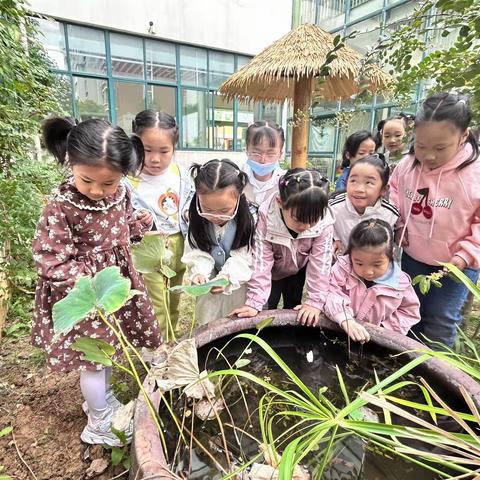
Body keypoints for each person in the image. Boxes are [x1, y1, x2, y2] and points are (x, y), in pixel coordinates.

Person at [32, 117, 162, 446]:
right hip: (84, 295)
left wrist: (137, 225)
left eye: (109, 184)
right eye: (87, 180)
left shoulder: (120, 196)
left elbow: (120, 230)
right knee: (93, 358)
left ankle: (100, 402)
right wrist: (89, 289)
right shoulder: (61, 208)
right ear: (70, 163)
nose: (97, 191)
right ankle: (99, 423)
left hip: (114, 288)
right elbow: (50, 259)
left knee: (106, 352)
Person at [390, 92, 480, 348]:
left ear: (463, 136)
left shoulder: (474, 174)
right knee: (407, 315)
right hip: (412, 257)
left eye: (440, 148)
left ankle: (434, 381)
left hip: (455, 265)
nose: (428, 156)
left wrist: (464, 256)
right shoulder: (407, 166)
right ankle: (403, 373)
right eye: (421, 146)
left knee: (440, 322)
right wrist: (398, 224)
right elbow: (394, 193)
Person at [230, 168, 333, 327]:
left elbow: (321, 264)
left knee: (294, 305)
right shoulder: (265, 217)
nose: (306, 226)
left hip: (298, 267)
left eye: (313, 220)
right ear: (280, 202)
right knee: (265, 308)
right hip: (271, 271)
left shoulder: (324, 222)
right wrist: (254, 302)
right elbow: (261, 262)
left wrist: (315, 302)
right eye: (298, 219)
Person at [126, 110, 194, 339]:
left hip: (178, 244)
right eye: (147, 150)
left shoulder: (181, 175)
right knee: (155, 302)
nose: (155, 159)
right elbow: (122, 216)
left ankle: (171, 338)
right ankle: (157, 346)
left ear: (174, 148)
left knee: (173, 297)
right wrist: (137, 219)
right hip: (149, 248)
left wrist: (188, 213)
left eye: (164, 151)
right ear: (135, 145)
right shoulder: (128, 180)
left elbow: (190, 204)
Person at [181, 159, 256, 325]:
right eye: (207, 209)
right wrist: (199, 273)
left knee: (237, 318)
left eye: (224, 210)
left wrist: (227, 277)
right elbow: (198, 252)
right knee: (209, 316)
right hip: (210, 279)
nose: (216, 216)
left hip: (237, 283)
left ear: (239, 197)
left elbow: (244, 257)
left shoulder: (248, 222)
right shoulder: (197, 222)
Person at [325, 219, 420, 343]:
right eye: (359, 263)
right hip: (339, 330)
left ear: (391, 254)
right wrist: (345, 320)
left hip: (375, 342)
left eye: (377, 265)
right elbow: (330, 293)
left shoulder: (400, 284)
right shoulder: (342, 269)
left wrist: (384, 329)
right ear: (350, 254)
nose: (368, 271)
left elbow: (409, 312)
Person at [330, 154, 399, 257]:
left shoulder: (389, 215)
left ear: (384, 189)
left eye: (368, 183)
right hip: (339, 268)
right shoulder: (333, 208)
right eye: (353, 181)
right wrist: (333, 239)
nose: (359, 189)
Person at [243, 121, 285, 205]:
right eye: (256, 153)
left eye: (271, 154)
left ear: (280, 154)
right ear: (247, 150)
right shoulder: (238, 178)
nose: (263, 160)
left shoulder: (286, 183)